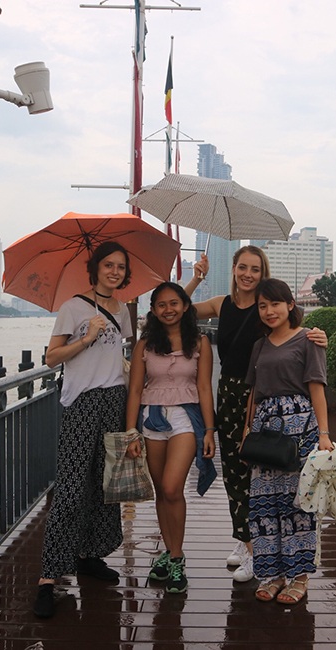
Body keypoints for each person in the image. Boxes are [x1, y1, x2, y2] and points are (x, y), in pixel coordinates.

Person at [184, 246, 326, 582]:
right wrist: (195, 278)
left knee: (264, 477)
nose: (248, 274)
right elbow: (180, 311)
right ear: (233, 269)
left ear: (263, 273)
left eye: (255, 269)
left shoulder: (267, 307)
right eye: (242, 267)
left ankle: (259, 547)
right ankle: (245, 540)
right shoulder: (223, 304)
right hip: (231, 393)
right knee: (235, 471)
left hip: (263, 394)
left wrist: (319, 334)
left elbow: (294, 329)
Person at [33, 241, 134, 619]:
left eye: (120, 267)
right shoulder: (73, 308)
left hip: (113, 400)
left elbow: (117, 354)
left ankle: (91, 555)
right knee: (72, 488)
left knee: (105, 484)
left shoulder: (122, 310)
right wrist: (85, 338)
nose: (114, 271)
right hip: (82, 403)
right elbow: (51, 357)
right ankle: (48, 577)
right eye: (108, 265)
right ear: (95, 269)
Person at [242, 278, 332, 604]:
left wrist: (323, 434)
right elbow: (254, 391)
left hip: (300, 427)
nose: (269, 311)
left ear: (290, 304)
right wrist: (246, 428)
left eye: (275, 304)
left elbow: (317, 387)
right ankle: (274, 574)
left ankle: (299, 576)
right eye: (262, 306)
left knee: (297, 503)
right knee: (265, 505)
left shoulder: (309, 340)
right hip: (266, 430)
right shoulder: (260, 345)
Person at [123, 282, 216, 594]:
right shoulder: (145, 345)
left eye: (174, 303)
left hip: (186, 418)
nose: (168, 309)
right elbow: (135, 389)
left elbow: (204, 388)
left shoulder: (201, 342)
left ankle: (177, 557)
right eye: (161, 304)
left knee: (174, 487)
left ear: (185, 306)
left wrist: (210, 431)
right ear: (153, 310)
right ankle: (168, 550)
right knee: (161, 491)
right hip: (151, 418)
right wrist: (131, 432)